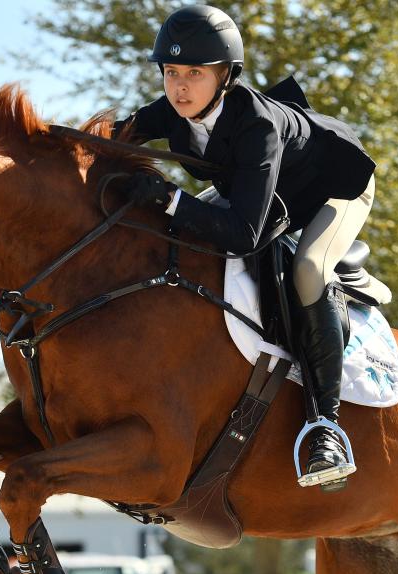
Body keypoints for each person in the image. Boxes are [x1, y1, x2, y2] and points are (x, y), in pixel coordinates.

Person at [113, 4, 376, 491]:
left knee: (308, 271)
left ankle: (327, 428)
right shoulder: (170, 112)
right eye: (171, 73)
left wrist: (172, 199)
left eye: (195, 73)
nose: (181, 86)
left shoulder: (257, 125)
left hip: (334, 187)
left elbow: (243, 235)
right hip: (263, 194)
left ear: (226, 76)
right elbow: (108, 139)